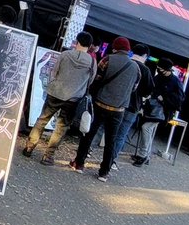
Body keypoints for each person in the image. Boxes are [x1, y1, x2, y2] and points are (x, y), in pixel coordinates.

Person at [70, 37, 140, 182]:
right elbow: (133, 88)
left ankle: (79, 163)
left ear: (115, 48)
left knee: (88, 134)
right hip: (119, 110)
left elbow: (96, 80)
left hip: (100, 105)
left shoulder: (107, 60)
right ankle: (104, 172)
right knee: (111, 141)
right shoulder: (136, 68)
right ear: (128, 50)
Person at [23, 32, 96, 165]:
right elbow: (90, 81)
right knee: (61, 127)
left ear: (77, 41)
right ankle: (48, 156)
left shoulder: (65, 54)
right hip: (74, 99)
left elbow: (54, 72)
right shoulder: (92, 62)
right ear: (90, 45)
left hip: (55, 93)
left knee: (42, 120)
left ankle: (29, 147)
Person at [133, 59, 183, 166]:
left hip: (163, 111)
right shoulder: (158, 77)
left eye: (160, 69)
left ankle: (143, 155)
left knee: (146, 128)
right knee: (148, 130)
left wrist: (164, 99)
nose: (158, 70)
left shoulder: (175, 81)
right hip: (152, 109)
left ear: (167, 69)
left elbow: (179, 99)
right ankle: (145, 155)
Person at [112, 43, 153, 164]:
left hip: (116, 102)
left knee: (106, 129)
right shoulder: (145, 70)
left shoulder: (125, 62)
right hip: (132, 106)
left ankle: (89, 151)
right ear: (145, 55)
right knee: (121, 135)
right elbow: (148, 91)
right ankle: (111, 160)